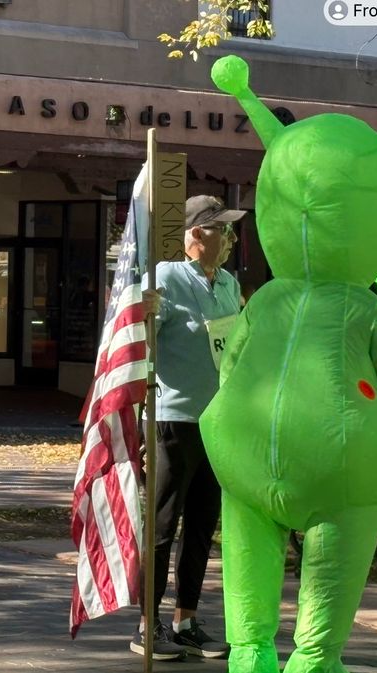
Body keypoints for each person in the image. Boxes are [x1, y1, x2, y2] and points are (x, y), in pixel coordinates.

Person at [133, 194, 244, 661]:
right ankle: (147, 624)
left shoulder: (228, 283)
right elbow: (138, 341)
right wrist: (143, 313)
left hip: (216, 421)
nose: (231, 238)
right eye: (223, 229)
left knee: (201, 525)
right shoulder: (164, 277)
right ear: (196, 234)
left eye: (232, 230)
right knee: (163, 525)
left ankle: (187, 621)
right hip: (172, 420)